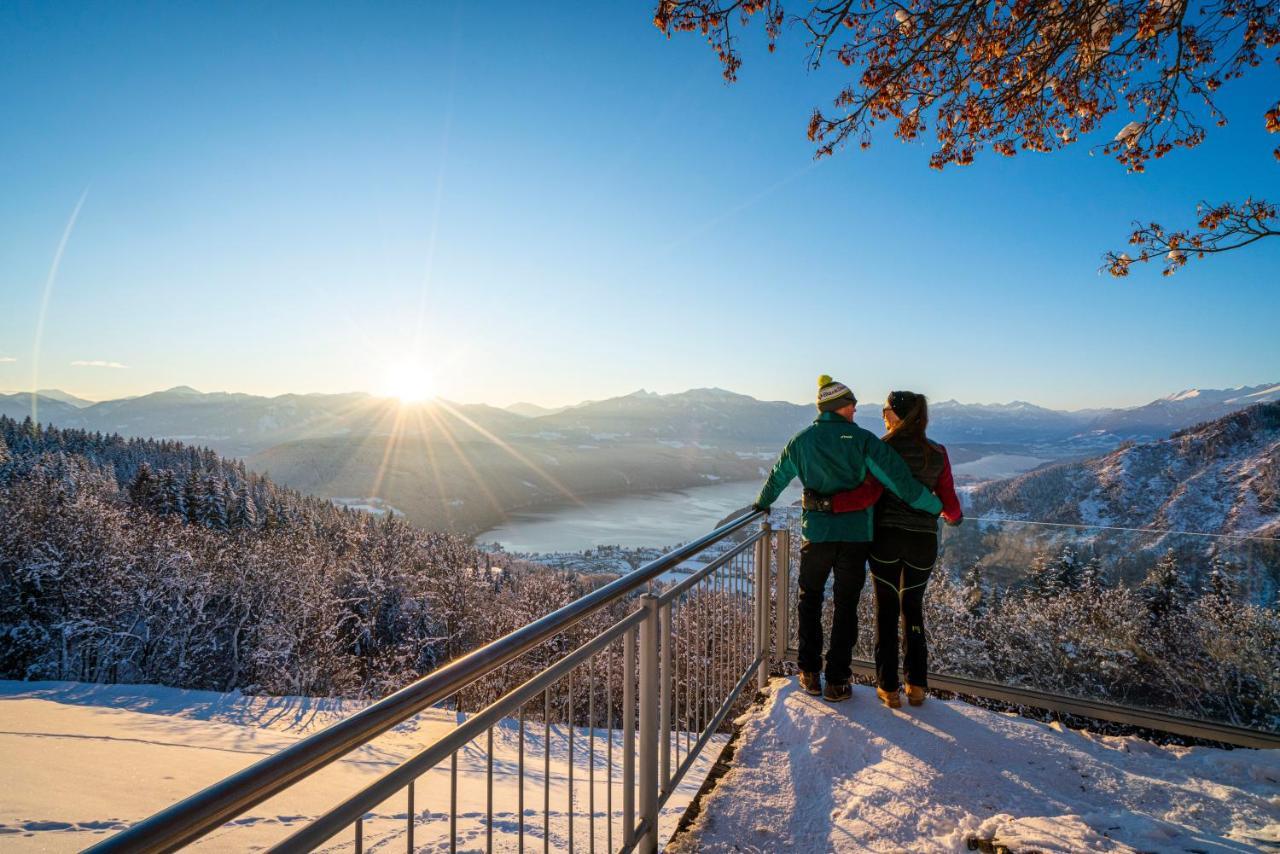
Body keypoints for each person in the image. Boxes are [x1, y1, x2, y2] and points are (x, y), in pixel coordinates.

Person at [753, 376, 944, 702]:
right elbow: (900, 482)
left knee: (809, 599)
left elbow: (778, 476)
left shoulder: (801, 441)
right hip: (856, 538)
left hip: (817, 535)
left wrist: (762, 504)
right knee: (846, 606)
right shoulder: (864, 441)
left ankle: (809, 672)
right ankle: (838, 680)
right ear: (838, 407)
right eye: (851, 403)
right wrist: (935, 506)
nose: (856, 408)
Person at [825, 391, 962, 709]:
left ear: (898, 415)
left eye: (886, 409)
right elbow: (950, 501)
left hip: (886, 540)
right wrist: (953, 518)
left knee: (886, 612)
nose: (882, 414)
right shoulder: (937, 453)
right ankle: (916, 685)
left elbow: (866, 494)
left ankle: (888, 688)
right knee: (912, 609)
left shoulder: (881, 448)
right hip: (922, 542)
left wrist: (831, 504)